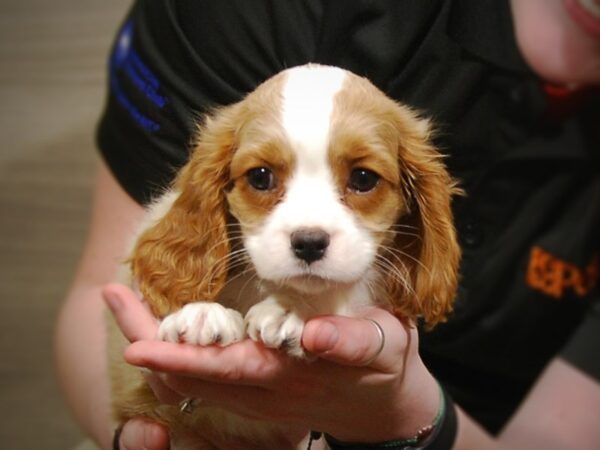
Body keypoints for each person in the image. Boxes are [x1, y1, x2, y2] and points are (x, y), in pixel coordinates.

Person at [54, 0, 600, 449]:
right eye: (263, 177)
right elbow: (98, 302)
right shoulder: (241, 17)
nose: (310, 228)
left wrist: (403, 419)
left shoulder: (417, 191)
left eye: (362, 180)